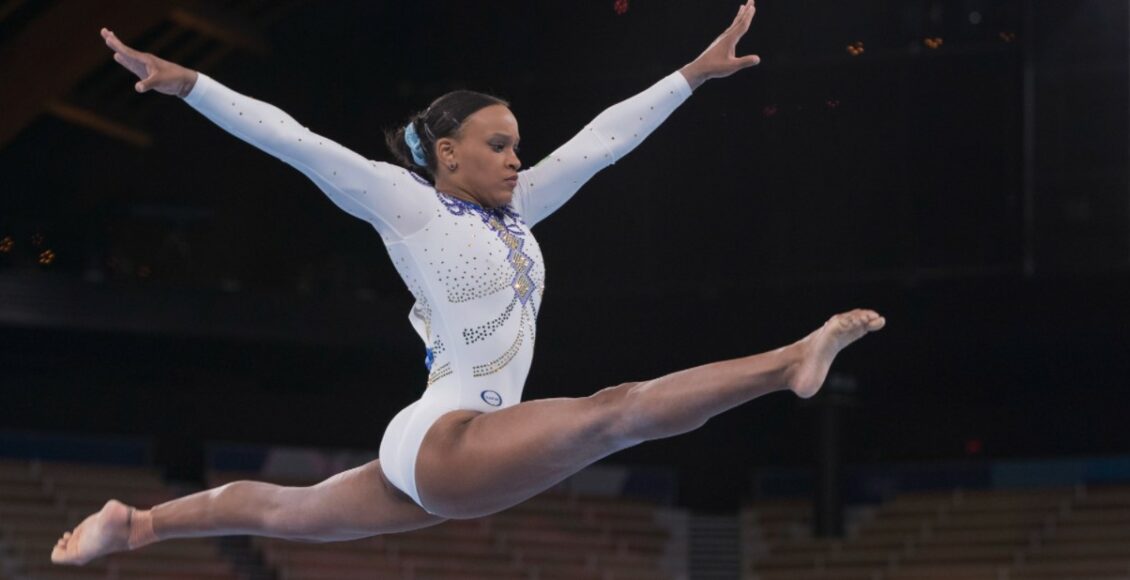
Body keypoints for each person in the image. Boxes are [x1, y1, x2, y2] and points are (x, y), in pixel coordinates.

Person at [53, 1, 884, 565]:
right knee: (614, 415)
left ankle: (136, 525)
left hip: (447, 445)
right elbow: (297, 142)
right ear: (448, 153)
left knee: (285, 514)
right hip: (447, 440)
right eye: (499, 145)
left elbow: (600, 144)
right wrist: (191, 83)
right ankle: (791, 360)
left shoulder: (518, 212)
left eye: (519, 143)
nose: (518, 158)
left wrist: (690, 77)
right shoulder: (409, 207)